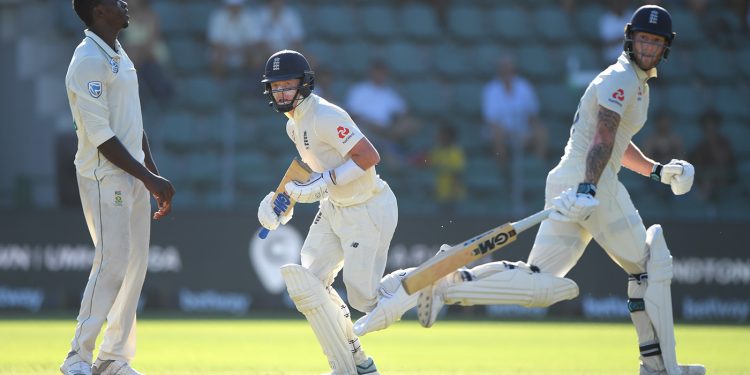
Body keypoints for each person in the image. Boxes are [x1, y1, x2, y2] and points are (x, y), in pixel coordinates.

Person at [355, 6, 706, 375]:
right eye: (643, 38)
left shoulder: (633, 82)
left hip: (576, 179)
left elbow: (615, 141)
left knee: (539, 279)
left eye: (656, 41)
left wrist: (656, 171)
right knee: (650, 266)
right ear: (630, 38)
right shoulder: (621, 78)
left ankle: (449, 285)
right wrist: (587, 187)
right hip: (592, 182)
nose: (648, 46)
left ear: (666, 47)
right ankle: (659, 367)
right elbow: (603, 135)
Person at [256, 50, 402, 375]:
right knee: (308, 286)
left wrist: (323, 181)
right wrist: (278, 203)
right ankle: (353, 362)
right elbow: (311, 172)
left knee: (365, 300)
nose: (281, 93)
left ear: (304, 84)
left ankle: (419, 282)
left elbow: (368, 156)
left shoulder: (324, 115)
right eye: (275, 87)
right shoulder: (294, 126)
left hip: (366, 207)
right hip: (335, 207)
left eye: (287, 85)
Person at [60, 1, 175, 374]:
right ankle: (78, 355)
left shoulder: (118, 52)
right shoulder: (87, 60)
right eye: (115, 0)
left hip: (135, 175)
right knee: (112, 261)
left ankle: (113, 359)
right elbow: (102, 137)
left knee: (134, 265)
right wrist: (147, 177)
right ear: (98, 11)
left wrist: (152, 175)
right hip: (103, 175)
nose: (125, 3)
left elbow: (132, 122)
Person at [482, 54, 548, 214]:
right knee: (497, 135)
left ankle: (537, 175)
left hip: (523, 132)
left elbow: (532, 116)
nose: (506, 71)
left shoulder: (524, 87)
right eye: (504, 69)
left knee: (542, 132)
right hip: (502, 132)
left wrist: (527, 133)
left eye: (509, 68)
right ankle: (505, 175)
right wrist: (511, 134)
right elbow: (491, 120)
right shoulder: (491, 90)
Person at [345, 61, 419, 171]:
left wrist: (396, 123)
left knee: (413, 123)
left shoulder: (389, 93)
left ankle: (395, 151)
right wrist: (372, 125)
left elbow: (402, 112)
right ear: (371, 73)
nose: (380, 75)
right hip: (365, 127)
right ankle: (390, 152)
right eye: (377, 72)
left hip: (387, 129)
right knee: (365, 129)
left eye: (382, 73)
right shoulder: (360, 90)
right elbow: (353, 114)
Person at [689, 109, 737, 202]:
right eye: (707, 127)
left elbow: (725, 163)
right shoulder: (699, 147)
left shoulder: (724, 144)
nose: (710, 129)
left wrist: (713, 146)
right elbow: (698, 169)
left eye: (713, 126)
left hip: (724, 181)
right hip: (706, 183)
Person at [207, 0, 262, 80]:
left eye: (236, 6)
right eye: (231, 6)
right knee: (216, 55)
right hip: (225, 52)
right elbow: (215, 43)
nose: (234, 9)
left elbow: (254, 41)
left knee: (257, 56)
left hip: (244, 51)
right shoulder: (218, 16)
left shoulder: (248, 16)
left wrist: (240, 50)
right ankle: (219, 84)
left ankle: (252, 84)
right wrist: (229, 50)